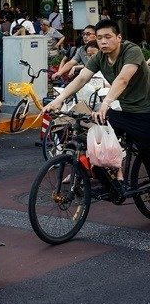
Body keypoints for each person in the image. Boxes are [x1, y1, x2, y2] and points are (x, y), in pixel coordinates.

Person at [44, 19, 150, 184]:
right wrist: (58, 100)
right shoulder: (99, 57)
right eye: (99, 38)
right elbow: (82, 79)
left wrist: (106, 104)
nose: (103, 41)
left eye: (108, 36)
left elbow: (122, 79)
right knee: (98, 141)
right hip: (122, 109)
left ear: (119, 37)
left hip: (145, 111)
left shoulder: (132, 51)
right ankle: (112, 178)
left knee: (147, 153)